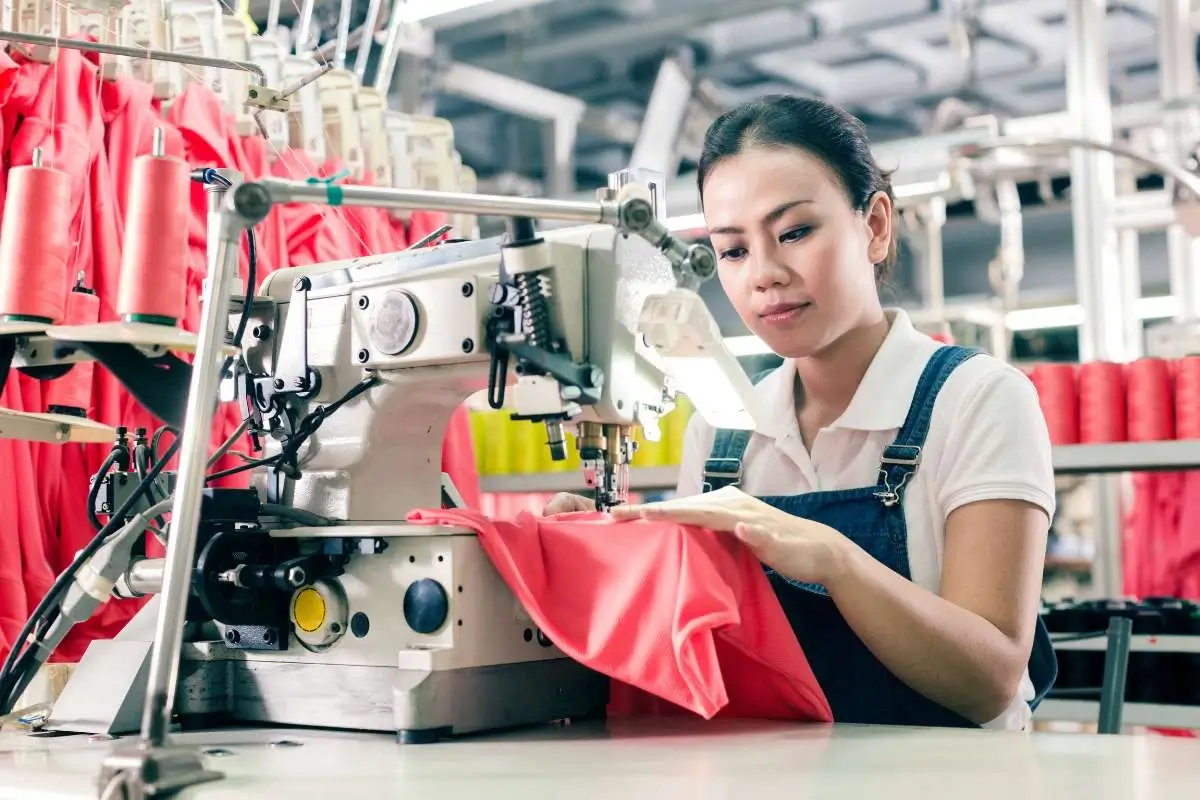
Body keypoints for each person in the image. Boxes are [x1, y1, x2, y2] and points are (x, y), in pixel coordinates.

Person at [544, 94, 1057, 731]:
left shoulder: (979, 400)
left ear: (875, 226)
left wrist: (835, 560)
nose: (765, 275)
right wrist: (603, 561)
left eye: (794, 232)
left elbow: (990, 681)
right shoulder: (722, 428)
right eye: (732, 251)